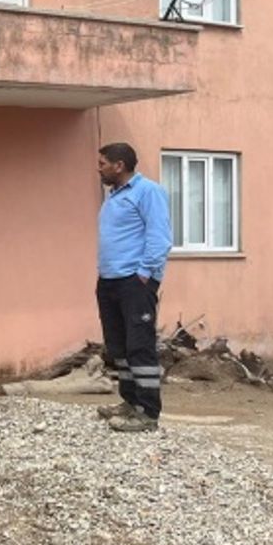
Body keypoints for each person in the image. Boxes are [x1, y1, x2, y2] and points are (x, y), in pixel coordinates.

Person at [94, 142, 172, 433]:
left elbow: (160, 235)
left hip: (134, 282)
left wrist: (144, 273)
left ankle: (148, 412)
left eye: (103, 163)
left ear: (119, 166)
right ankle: (129, 402)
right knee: (119, 346)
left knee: (139, 346)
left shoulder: (148, 192)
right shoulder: (114, 196)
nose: (98, 168)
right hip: (110, 280)